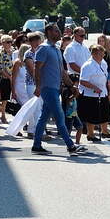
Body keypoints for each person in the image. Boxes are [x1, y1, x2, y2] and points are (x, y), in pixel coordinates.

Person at [32, 24, 85, 154]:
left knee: (44, 117)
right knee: (60, 116)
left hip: (55, 88)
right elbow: (37, 68)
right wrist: (38, 86)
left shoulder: (56, 49)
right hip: (48, 88)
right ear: (49, 32)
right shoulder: (43, 48)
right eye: (56, 31)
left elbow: (62, 71)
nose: (59, 33)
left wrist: (71, 86)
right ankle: (70, 145)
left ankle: (36, 146)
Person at [78, 45, 110, 141]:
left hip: (103, 92)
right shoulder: (88, 65)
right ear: (93, 54)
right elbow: (82, 81)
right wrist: (94, 87)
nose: (102, 55)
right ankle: (90, 134)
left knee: (105, 112)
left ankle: (105, 131)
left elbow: (105, 76)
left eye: (103, 53)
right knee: (92, 114)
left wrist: (107, 87)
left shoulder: (103, 63)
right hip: (90, 94)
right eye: (100, 54)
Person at [24, 32, 44, 139]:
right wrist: (39, 85)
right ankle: (40, 133)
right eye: (34, 40)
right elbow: (32, 71)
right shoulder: (28, 54)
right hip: (32, 84)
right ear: (30, 42)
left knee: (36, 108)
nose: (37, 42)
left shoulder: (41, 52)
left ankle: (31, 130)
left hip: (41, 84)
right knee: (37, 108)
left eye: (38, 40)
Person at [0, 35, 13, 124]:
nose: (9, 43)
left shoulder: (13, 52)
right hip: (5, 78)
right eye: (7, 42)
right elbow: (0, 68)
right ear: (2, 43)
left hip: (14, 77)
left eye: (10, 41)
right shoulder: (0, 53)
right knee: (4, 98)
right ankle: (3, 115)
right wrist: (10, 77)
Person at [62, 76, 83, 144]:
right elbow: (67, 101)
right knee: (68, 131)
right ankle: (69, 144)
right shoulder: (66, 90)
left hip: (74, 113)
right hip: (68, 114)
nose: (78, 84)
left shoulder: (74, 90)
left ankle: (77, 143)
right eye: (77, 83)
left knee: (80, 127)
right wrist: (74, 95)